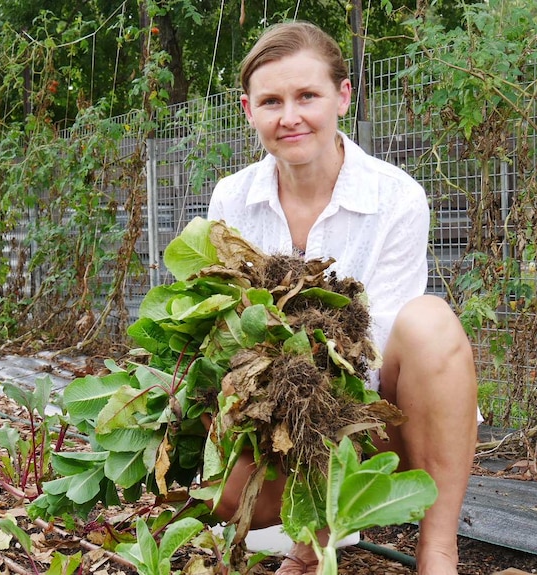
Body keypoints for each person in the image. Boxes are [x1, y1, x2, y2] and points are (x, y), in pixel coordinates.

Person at [205, 21, 478, 575]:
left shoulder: (395, 196)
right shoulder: (232, 199)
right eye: (271, 101)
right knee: (225, 502)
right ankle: (314, 523)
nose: (290, 116)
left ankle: (437, 550)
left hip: (375, 419)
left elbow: (370, 352)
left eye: (307, 95)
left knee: (430, 321)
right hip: (274, 419)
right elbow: (228, 334)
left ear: (343, 96)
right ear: (247, 109)